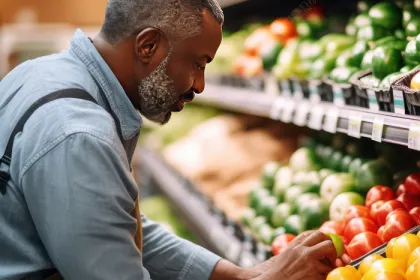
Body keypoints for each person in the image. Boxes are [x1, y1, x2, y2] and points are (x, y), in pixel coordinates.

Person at [0, 0, 349, 279]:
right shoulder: (80, 136)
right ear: (148, 45)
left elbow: (109, 224)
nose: (200, 85)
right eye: (197, 63)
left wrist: (240, 276)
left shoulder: (39, 74)